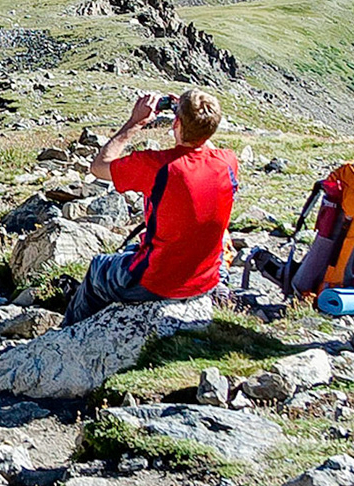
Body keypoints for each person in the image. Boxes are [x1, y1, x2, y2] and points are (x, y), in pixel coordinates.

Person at [63, 87, 239, 325]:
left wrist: (134, 123)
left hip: (159, 282)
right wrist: (194, 118)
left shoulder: (157, 166)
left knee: (98, 268)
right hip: (205, 278)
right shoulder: (228, 161)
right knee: (129, 252)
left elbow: (99, 166)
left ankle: (69, 331)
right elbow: (203, 144)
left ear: (176, 122)